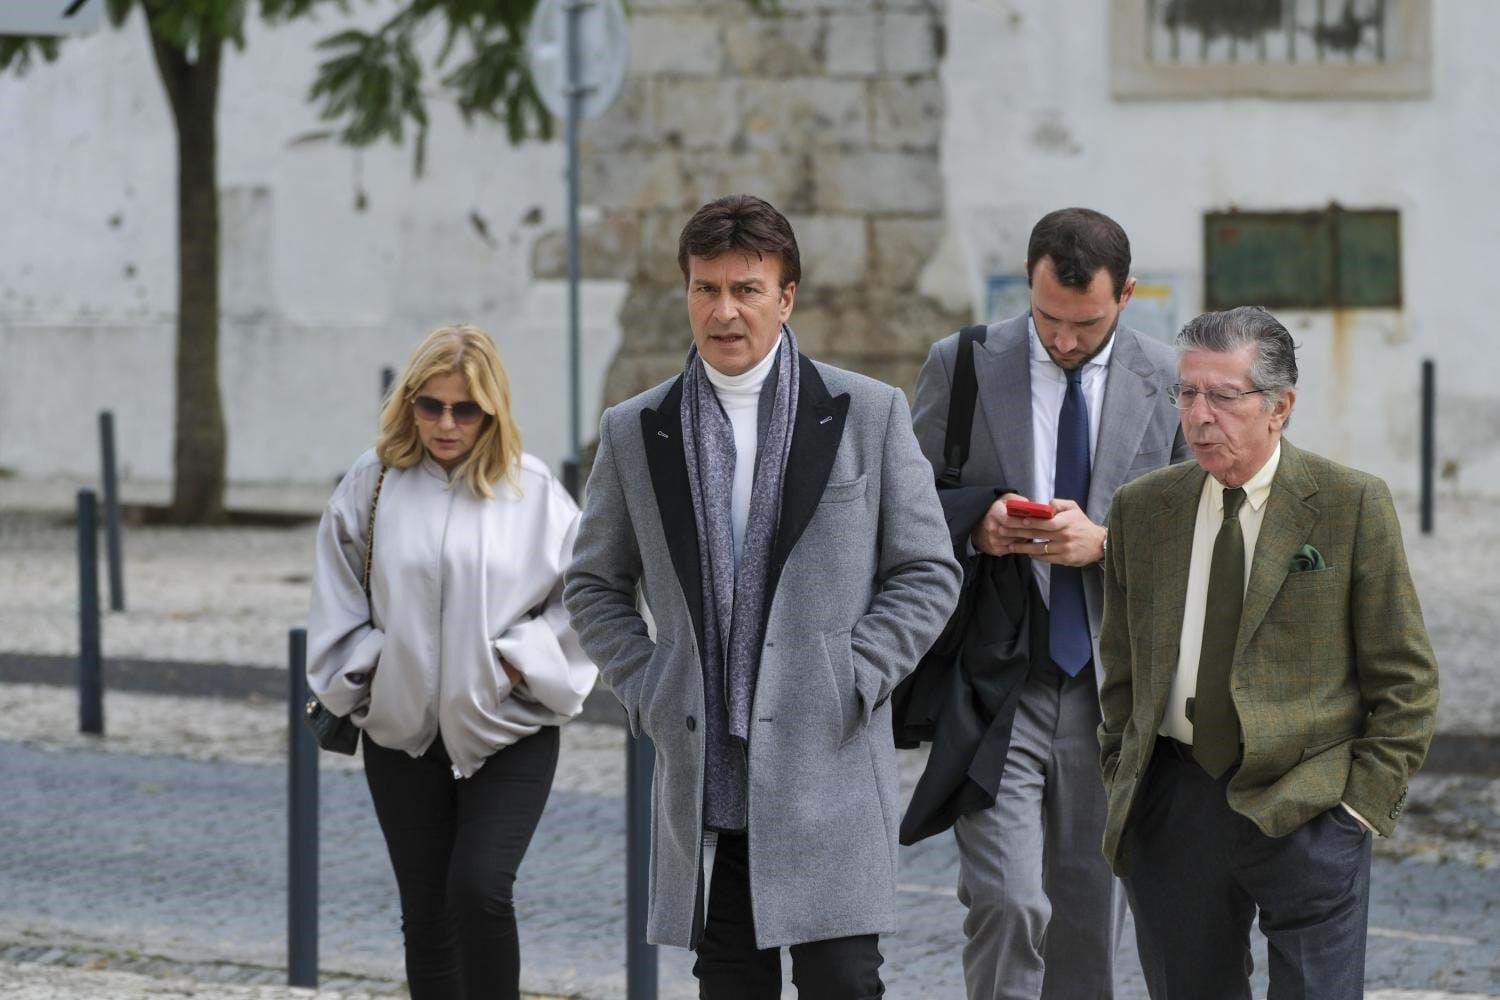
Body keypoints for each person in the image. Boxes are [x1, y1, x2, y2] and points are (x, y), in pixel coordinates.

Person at [564, 194, 961, 998]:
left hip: (829, 766)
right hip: (710, 782)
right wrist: (650, 683)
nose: (724, 311)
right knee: (731, 987)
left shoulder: (868, 413)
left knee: (845, 984)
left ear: (786, 297)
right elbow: (594, 584)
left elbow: (927, 570)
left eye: (747, 289)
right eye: (706, 288)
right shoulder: (635, 431)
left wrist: (856, 672)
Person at [1097, 306, 1440, 999]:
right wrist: (1122, 771)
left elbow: (1406, 679)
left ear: (1280, 407)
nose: (1199, 416)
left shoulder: (1350, 504)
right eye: (1187, 392)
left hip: (1308, 802)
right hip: (1175, 800)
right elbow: (1123, 664)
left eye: (1223, 396)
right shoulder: (1141, 508)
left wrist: (1358, 810)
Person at [910, 207, 1189, 1000]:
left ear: (1126, 296)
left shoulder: (1172, 379)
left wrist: (1106, 544)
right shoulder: (962, 364)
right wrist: (979, 522)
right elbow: (908, 504)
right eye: (1046, 318)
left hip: (1113, 686)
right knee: (1008, 901)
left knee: (1088, 923)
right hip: (1000, 678)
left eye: (1085, 323)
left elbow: (1203, 528)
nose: (1064, 340)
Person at [306, 324, 597, 1000]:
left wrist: (517, 665)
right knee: (427, 915)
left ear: (493, 411)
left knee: (480, 889)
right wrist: (375, 668)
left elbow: (584, 597)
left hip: (508, 728)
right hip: (401, 734)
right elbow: (337, 590)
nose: (445, 423)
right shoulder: (372, 482)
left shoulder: (531, 490)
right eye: (430, 405)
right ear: (408, 401)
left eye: (465, 409)